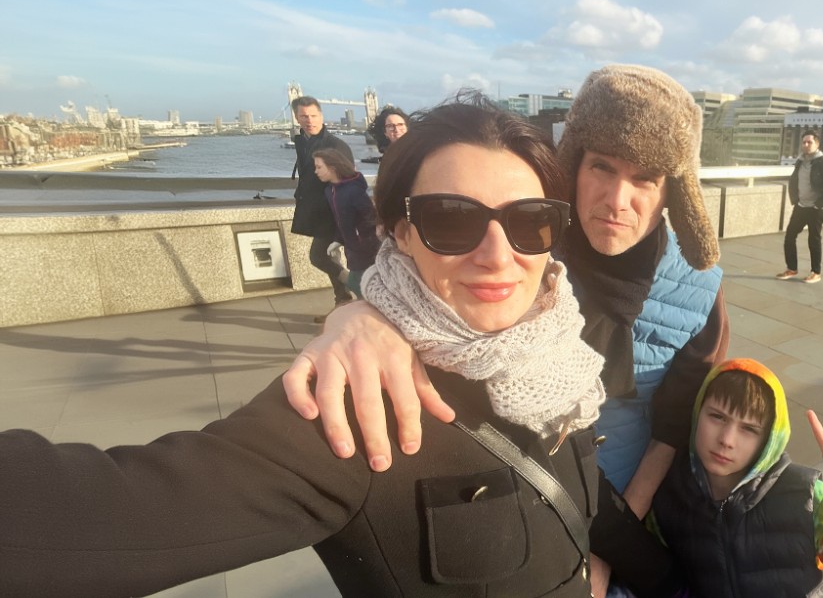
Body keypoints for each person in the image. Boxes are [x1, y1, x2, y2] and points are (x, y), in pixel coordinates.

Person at [0, 98, 677, 597]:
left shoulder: (560, 353)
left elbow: (587, 501)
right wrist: (357, 318)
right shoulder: (355, 407)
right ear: (397, 230)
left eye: (530, 222)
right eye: (450, 218)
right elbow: (93, 518)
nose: (498, 255)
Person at [649, 358, 823, 597]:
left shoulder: (805, 496)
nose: (726, 439)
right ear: (697, 413)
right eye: (717, 417)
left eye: (749, 429)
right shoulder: (670, 496)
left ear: (770, 439)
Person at [291, 96, 356, 315]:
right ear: (297, 117)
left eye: (314, 115)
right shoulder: (303, 142)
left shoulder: (335, 146)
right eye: (304, 116)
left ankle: (356, 288)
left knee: (319, 256)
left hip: (334, 213)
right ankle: (343, 303)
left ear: (321, 116)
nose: (309, 120)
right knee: (329, 257)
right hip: (318, 212)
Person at [313, 147, 378, 298]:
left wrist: (362, 241)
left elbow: (370, 218)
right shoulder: (330, 191)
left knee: (359, 285)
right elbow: (340, 220)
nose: (316, 171)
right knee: (360, 285)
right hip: (351, 248)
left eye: (319, 167)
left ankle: (373, 313)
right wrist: (338, 240)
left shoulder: (354, 191)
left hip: (365, 249)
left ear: (332, 167)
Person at [776, 130, 823, 284]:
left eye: (809, 142)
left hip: (817, 209)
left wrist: (819, 204)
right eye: (804, 142)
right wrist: (795, 200)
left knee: (813, 239)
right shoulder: (801, 161)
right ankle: (792, 268)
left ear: (817, 144)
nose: (806, 145)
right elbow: (794, 180)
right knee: (790, 236)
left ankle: (816, 272)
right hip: (801, 206)